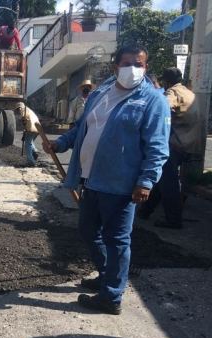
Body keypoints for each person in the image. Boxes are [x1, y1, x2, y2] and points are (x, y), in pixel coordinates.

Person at [43, 43, 170, 315]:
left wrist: (146, 181)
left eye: (139, 64)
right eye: (127, 64)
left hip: (121, 184)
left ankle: (111, 296)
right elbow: (82, 127)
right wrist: (61, 144)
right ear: (116, 67)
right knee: (88, 230)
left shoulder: (153, 100)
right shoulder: (101, 92)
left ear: (146, 66)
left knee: (117, 239)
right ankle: (107, 274)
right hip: (92, 179)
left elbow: (157, 147)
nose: (133, 69)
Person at [139, 67, 200, 229]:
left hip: (176, 144)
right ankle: (144, 211)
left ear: (166, 82)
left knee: (169, 185)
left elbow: (160, 109)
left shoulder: (171, 93)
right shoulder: (188, 92)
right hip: (189, 144)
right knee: (162, 180)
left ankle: (173, 220)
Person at [15, 102, 40, 166]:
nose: (18, 112)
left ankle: (30, 161)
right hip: (37, 129)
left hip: (31, 129)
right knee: (30, 142)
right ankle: (35, 151)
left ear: (19, 108)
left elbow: (24, 118)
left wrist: (22, 120)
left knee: (27, 144)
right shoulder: (29, 110)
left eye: (17, 110)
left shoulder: (23, 109)